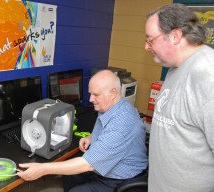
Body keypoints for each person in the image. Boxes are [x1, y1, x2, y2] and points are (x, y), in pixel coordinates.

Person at [18, 70, 148, 192]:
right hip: (104, 167)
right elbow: (109, 130)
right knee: (69, 177)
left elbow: (88, 164)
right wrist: (92, 137)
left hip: (118, 178)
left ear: (113, 93)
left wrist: (43, 169)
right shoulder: (114, 106)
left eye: (96, 95)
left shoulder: (122, 123)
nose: (91, 99)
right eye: (90, 93)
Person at [145, 3, 214, 192]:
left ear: (175, 36)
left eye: (150, 39)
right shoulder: (175, 67)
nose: (146, 46)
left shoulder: (207, 73)